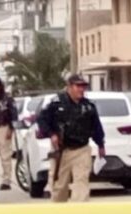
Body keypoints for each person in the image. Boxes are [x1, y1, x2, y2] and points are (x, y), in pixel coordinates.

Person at [37, 74, 106, 203]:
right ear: (69, 87)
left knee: (81, 183)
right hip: (62, 151)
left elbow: (96, 126)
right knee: (60, 186)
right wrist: (51, 134)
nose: (81, 89)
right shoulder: (56, 103)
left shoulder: (88, 106)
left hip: (82, 149)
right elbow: (42, 119)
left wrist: (101, 144)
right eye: (78, 86)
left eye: (83, 86)